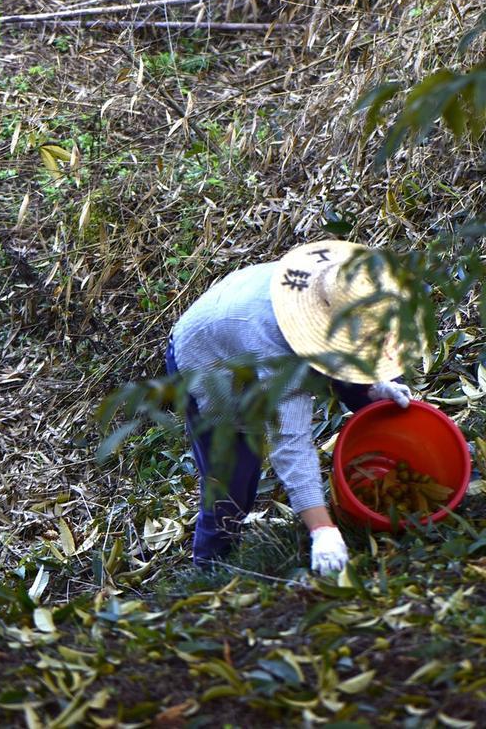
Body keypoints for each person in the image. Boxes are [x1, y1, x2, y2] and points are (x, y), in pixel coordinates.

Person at [167, 240, 413, 574]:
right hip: (208, 360)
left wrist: (374, 386)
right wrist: (322, 530)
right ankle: (210, 568)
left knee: (374, 391)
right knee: (233, 480)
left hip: (241, 315)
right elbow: (290, 441)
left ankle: (406, 462)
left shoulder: (340, 286)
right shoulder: (276, 344)